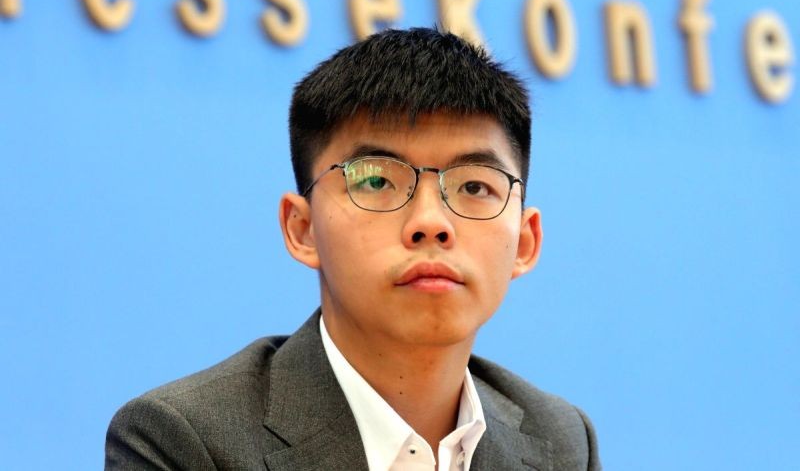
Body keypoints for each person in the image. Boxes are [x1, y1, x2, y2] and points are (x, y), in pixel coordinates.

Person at [105, 27, 601, 470]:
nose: (431, 223)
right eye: (377, 181)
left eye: (474, 188)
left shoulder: (561, 442)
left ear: (526, 241)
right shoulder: (185, 440)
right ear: (302, 228)